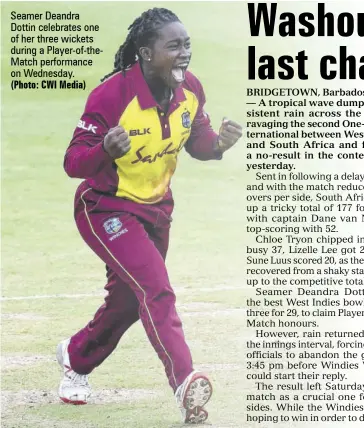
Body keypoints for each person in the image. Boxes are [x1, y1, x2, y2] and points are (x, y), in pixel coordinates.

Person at [57, 7, 242, 424]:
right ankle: (184, 383)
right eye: (173, 46)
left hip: (157, 211)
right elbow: (73, 162)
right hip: (105, 208)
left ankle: (74, 357)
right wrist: (104, 149)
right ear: (144, 52)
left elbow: (199, 143)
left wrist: (220, 146)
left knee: (127, 301)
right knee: (156, 287)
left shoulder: (190, 89)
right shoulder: (111, 96)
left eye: (187, 45)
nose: (184, 54)